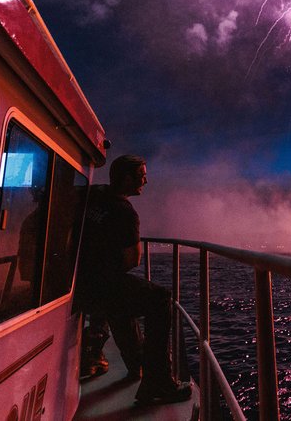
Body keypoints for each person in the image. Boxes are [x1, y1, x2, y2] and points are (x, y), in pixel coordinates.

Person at [75, 155, 191, 405]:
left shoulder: (93, 195)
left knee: (123, 296)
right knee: (160, 298)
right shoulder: (124, 212)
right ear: (127, 178)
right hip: (98, 287)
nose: (146, 181)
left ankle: (131, 359)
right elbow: (133, 260)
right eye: (141, 175)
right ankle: (158, 381)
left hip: (78, 283)